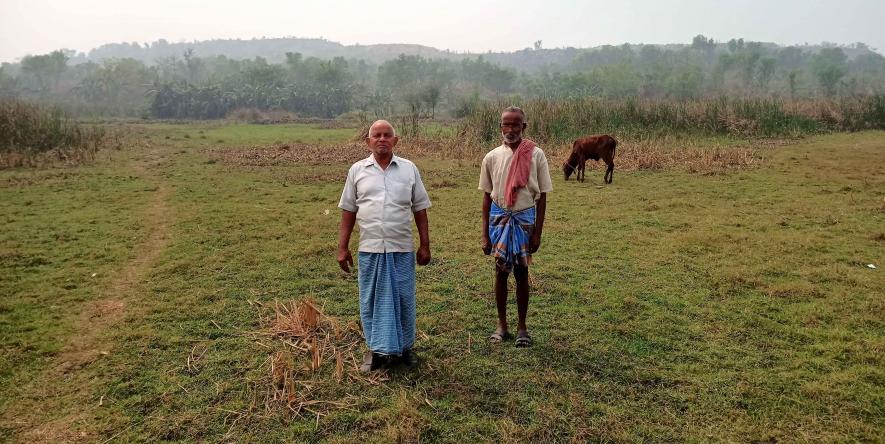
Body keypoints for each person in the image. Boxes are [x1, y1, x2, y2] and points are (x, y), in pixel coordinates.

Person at [337, 120, 432, 372]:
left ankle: (405, 349)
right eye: (376, 135)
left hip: (402, 248)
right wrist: (342, 247)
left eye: (386, 135)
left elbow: (420, 208)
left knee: (403, 299)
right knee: (371, 300)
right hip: (370, 249)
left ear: (395, 140)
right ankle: (375, 350)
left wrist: (425, 245)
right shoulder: (357, 170)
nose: (382, 139)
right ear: (368, 142)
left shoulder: (409, 169)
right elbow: (349, 210)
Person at [479, 106, 552, 347]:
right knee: (500, 271)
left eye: (515, 124)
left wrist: (538, 233)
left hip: (524, 219)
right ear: (500, 127)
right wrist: (485, 235)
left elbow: (542, 196)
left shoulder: (536, 155)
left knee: (521, 272)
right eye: (506, 124)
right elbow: (487, 198)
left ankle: (522, 327)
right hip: (499, 220)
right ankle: (502, 325)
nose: (510, 129)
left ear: (524, 126)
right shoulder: (491, 157)